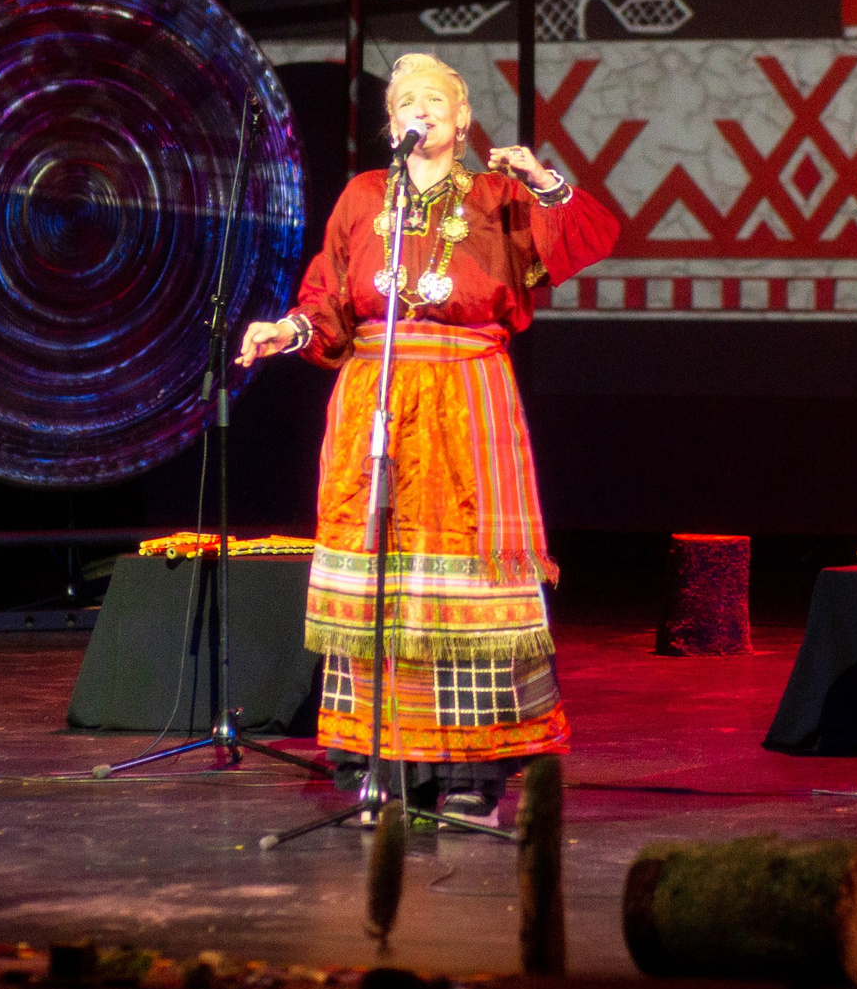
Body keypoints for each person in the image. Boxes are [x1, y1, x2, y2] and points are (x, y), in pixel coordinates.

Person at [236, 52, 618, 814]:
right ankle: (387, 763)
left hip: (466, 401)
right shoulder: (363, 195)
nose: (421, 108)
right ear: (391, 124)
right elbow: (328, 301)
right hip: (373, 401)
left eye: (436, 98)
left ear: (464, 119)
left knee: (462, 580)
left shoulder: (500, 196)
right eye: (406, 99)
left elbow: (588, 236)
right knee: (383, 580)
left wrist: (543, 180)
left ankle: (473, 773)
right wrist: (285, 331)